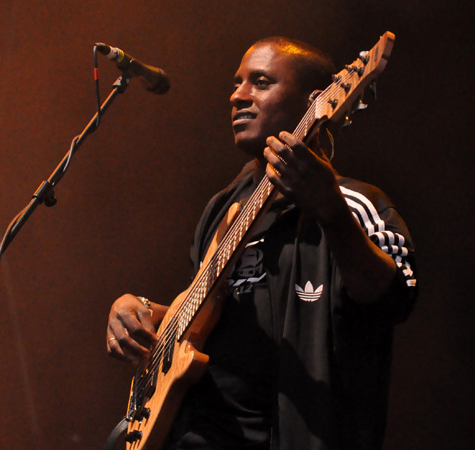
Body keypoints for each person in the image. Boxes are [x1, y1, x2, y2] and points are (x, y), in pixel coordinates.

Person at [106, 37, 417, 450]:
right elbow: (212, 315)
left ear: (315, 102)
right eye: (237, 83)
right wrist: (140, 310)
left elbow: (392, 299)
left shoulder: (355, 203)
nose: (238, 95)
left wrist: (331, 213)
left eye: (261, 82)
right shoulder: (221, 210)